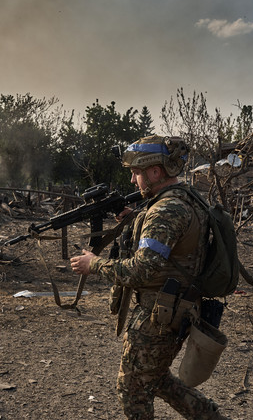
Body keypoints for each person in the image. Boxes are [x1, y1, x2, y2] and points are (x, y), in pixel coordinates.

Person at [70, 135, 231, 420]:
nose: (133, 181)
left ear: (155, 171)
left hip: (159, 315)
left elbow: (142, 270)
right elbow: (176, 246)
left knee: (132, 389)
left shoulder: (167, 210)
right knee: (157, 380)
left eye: (136, 173)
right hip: (175, 308)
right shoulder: (184, 198)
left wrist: (94, 264)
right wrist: (137, 219)